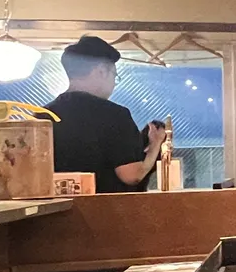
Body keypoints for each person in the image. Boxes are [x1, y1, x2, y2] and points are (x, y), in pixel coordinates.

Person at [44, 35, 165, 194]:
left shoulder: (43, 116)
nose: (114, 83)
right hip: (104, 212)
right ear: (101, 71)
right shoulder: (115, 115)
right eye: (114, 76)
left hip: (55, 213)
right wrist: (155, 146)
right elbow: (132, 175)